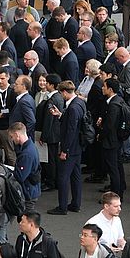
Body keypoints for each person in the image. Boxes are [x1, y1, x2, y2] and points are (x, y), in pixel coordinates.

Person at [47, 80, 85, 215]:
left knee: (63, 177)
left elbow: (71, 130)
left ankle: (62, 207)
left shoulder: (73, 107)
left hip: (70, 148)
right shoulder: (79, 103)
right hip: (78, 146)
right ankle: (75, 204)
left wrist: (64, 150)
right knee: (75, 176)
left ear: (64, 92)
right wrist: (61, 115)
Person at [99, 78, 127, 198]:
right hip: (117, 140)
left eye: (104, 86)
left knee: (113, 169)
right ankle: (120, 188)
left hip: (111, 141)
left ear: (110, 89)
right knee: (117, 165)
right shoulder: (118, 101)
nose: (102, 88)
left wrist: (101, 134)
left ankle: (116, 194)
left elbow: (110, 126)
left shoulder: (113, 105)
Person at [9, 122, 40, 210]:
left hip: (28, 192)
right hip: (31, 190)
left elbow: (20, 176)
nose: (12, 139)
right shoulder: (31, 146)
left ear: (16, 134)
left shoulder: (26, 154)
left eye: (12, 136)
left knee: (27, 220)